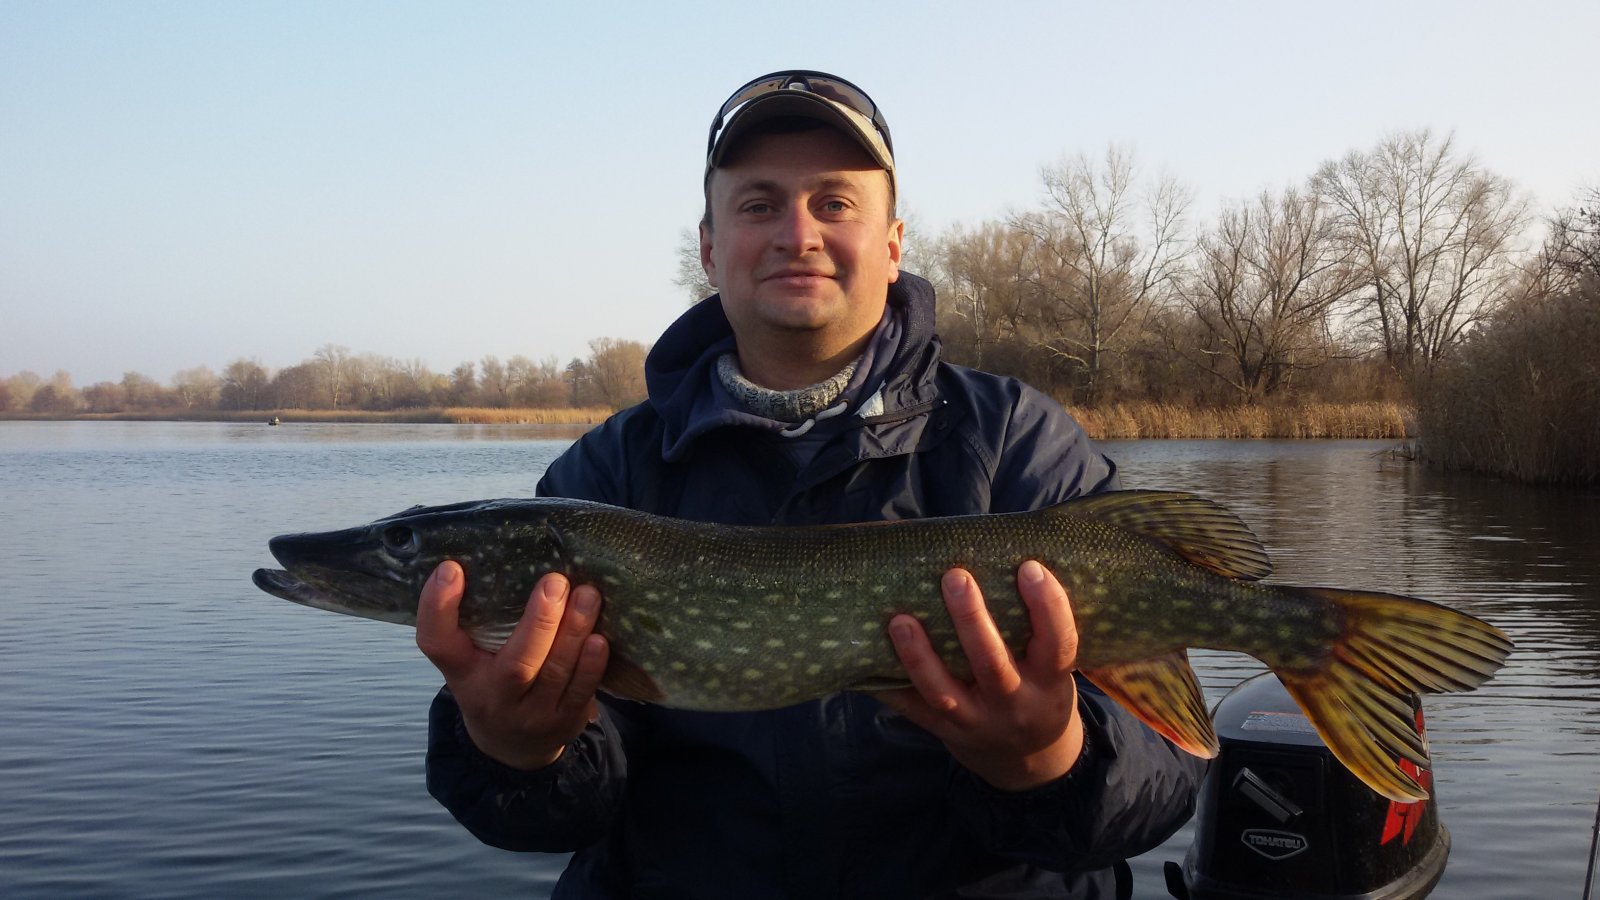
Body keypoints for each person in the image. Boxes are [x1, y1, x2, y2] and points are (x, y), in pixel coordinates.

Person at [416, 70, 1203, 899]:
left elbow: (1162, 779)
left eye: (834, 203)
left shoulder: (1015, 439)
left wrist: (1046, 759)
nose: (798, 234)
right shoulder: (605, 474)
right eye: (759, 205)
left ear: (892, 245)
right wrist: (516, 750)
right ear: (709, 248)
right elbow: (552, 815)